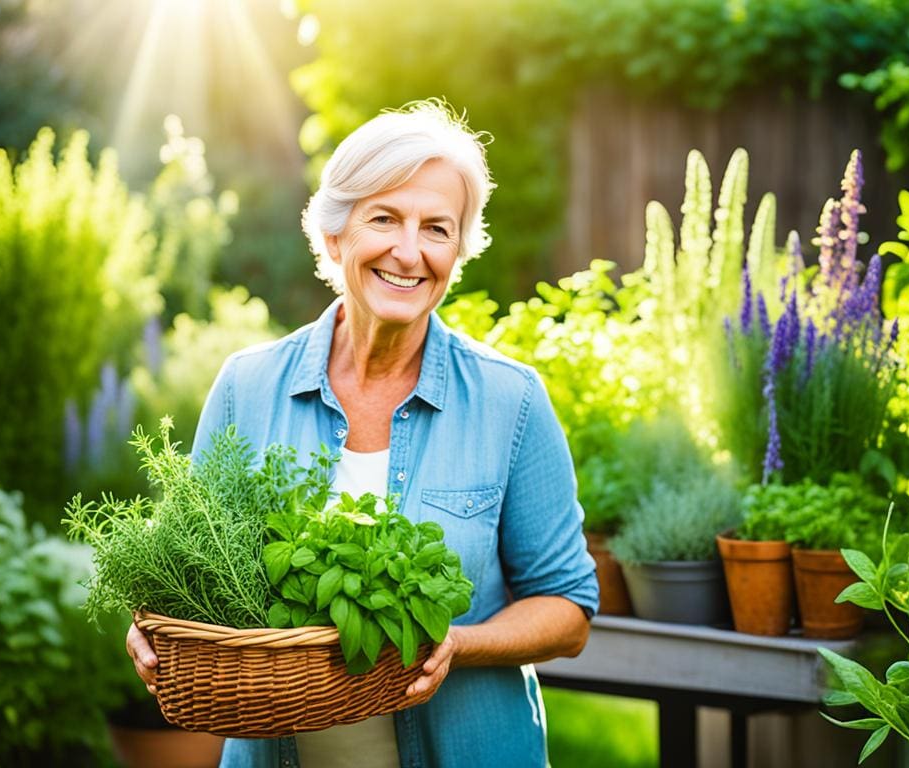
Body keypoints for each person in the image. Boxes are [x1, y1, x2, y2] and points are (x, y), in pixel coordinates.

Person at [126, 101, 599, 768]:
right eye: (385, 218)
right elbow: (178, 572)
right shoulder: (248, 387)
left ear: (458, 252)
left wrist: (458, 643)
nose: (410, 252)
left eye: (437, 228)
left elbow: (568, 607)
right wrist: (151, 628)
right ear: (335, 234)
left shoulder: (509, 401)